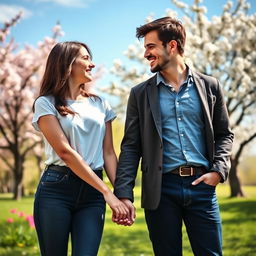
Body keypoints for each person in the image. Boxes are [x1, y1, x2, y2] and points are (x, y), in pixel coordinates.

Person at [113, 17, 234, 256]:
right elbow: (130, 147)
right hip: (161, 190)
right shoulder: (139, 94)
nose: (146, 54)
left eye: (150, 46)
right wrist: (124, 194)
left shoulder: (210, 86)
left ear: (172, 46)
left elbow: (224, 134)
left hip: (202, 186)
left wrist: (218, 170)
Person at [32, 41, 129, 256]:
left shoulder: (101, 104)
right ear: (66, 64)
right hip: (56, 190)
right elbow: (65, 152)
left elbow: (109, 153)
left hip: (92, 195)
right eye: (85, 58)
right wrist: (107, 193)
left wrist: (122, 194)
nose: (92, 64)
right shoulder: (45, 103)